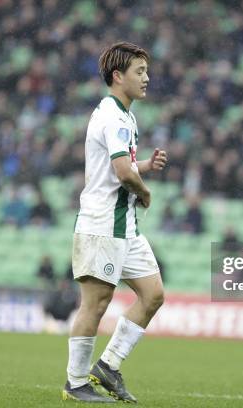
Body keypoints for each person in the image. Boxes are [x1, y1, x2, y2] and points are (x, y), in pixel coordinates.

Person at [62, 42, 167, 404]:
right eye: (140, 71)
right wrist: (145, 189)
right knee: (96, 302)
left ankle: (107, 366)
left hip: (125, 226)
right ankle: (75, 382)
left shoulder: (126, 115)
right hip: (102, 223)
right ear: (118, 76)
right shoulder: (112, 116)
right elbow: (122, 173)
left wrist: (144, 167)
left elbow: (120, 167)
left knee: (153, 294)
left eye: (146, 71)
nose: (146, 78)